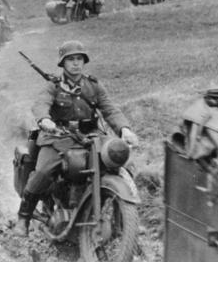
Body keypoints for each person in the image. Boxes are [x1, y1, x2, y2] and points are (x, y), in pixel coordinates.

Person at [15, 41, 138, 236]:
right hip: (57, 136)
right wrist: (45, 119)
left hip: (91, 137)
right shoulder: (53, 86)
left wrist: (124, 129)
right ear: (62, 63)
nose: (75, 63)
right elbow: (41, 104)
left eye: (79, 59)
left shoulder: (93, 86)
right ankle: (24, 217)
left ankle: (127, 219)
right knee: (43, 171)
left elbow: (109, 109)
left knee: (120, 165)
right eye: (71, 59)